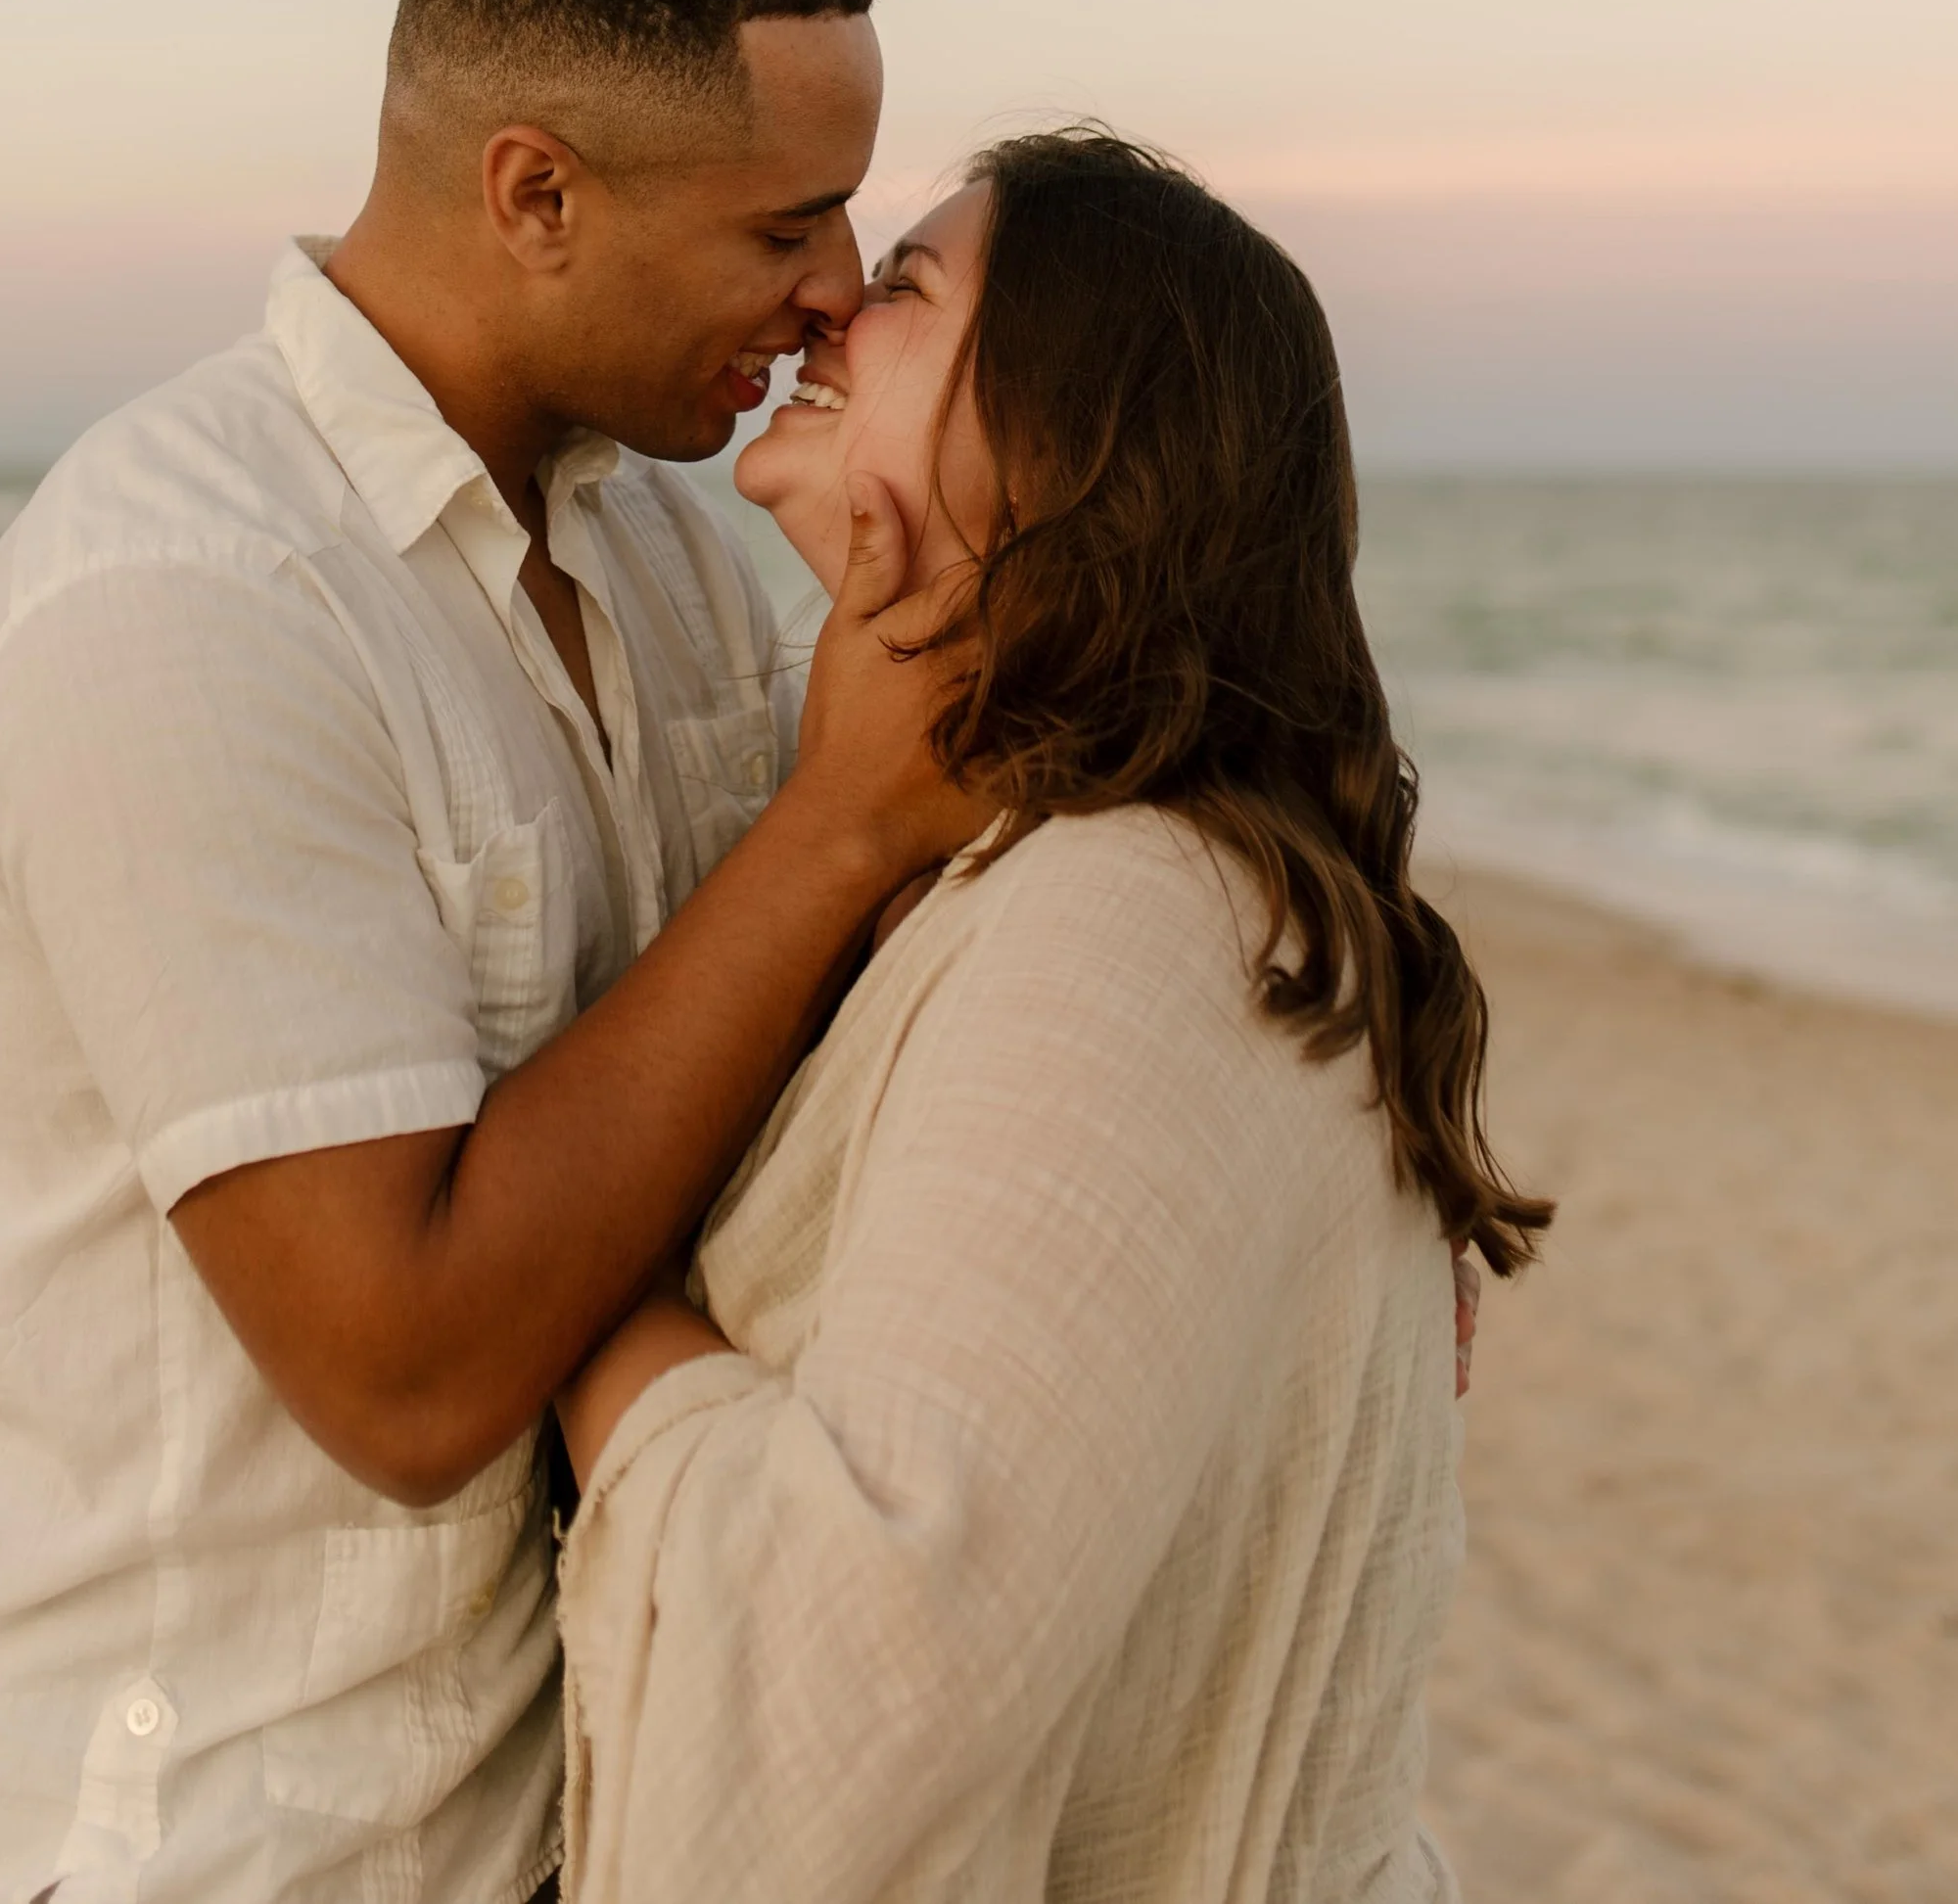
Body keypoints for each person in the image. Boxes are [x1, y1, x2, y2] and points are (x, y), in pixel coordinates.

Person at [0, 0, 983, 1904]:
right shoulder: (182, 603)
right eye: (790, 222)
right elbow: (400, 1376)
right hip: (233, 1842)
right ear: (535, 193)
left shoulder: (657, 539)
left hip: (572, 1822)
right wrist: (838, 820)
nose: (839, 285)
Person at [555, 129, 1552, 1903]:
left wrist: (578, 1299)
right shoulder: (1087, 881)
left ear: (1065, 441)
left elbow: (866, 1667)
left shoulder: (1130, 914)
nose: (838, 307)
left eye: (913, 287)